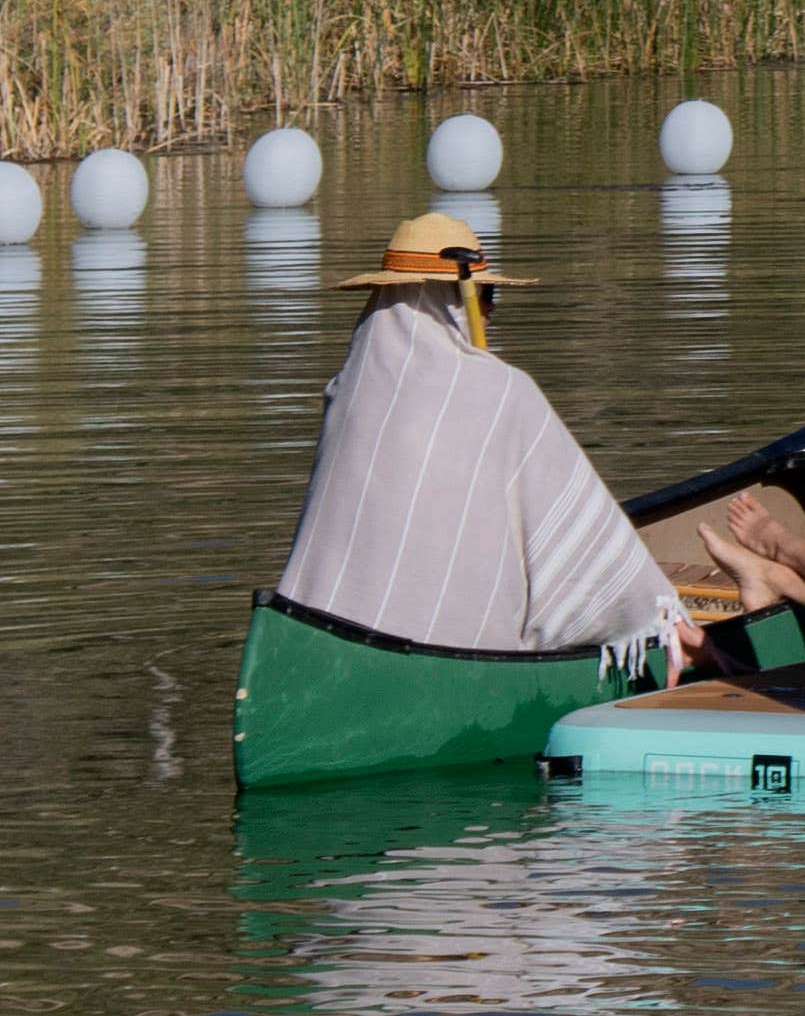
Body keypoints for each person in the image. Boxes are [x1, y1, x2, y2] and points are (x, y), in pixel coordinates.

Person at [263, 211, 695, 690]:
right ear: (457, 300)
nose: (490, 310)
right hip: (448, 672)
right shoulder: (502, 392)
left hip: (306, 653)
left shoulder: (346, 391)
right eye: (486, 294)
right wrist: (660, 614)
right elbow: (581, 538)